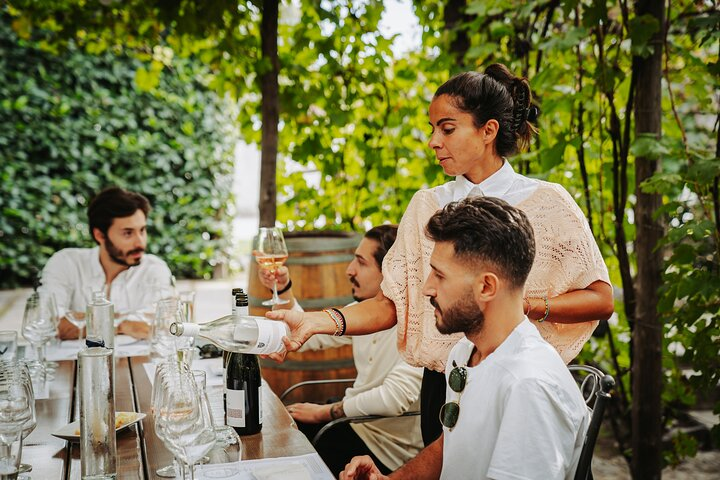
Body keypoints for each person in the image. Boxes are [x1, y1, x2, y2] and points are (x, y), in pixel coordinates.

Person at [268, 63, 614, 446]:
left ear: (488, 130)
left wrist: (518, 306)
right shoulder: (426, 206)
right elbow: (392, 304)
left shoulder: (549, 203)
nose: (434, 141)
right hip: (442, 388)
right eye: (433, 129)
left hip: (517, 383)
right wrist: (319, 321)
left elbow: (600, 298)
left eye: (447, 129)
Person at [340, 196, 590, 480]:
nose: (427, 289)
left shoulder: (528, 386)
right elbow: (451, 446)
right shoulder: (465, 352)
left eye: (440, 276)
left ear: (486, 286)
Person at [258, 226, 423, 476]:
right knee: (281, 430)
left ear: (391, 272)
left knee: (289, 447)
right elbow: (309, 336)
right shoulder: (362, 313)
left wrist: (324, 412)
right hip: (353, 421)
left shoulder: (419, 325)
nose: (349, 270)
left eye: (361, 262)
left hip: (385, 448)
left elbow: (393, 398)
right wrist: (283, 288)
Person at [40, 187, 172, 340]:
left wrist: (85, 320)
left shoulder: (155, 269)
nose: (140, 242)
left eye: (142, 230)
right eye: (128, 233)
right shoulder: (65, 263)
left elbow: (162, 325)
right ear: (100, 235)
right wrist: (123, 324)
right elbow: (50, 323)